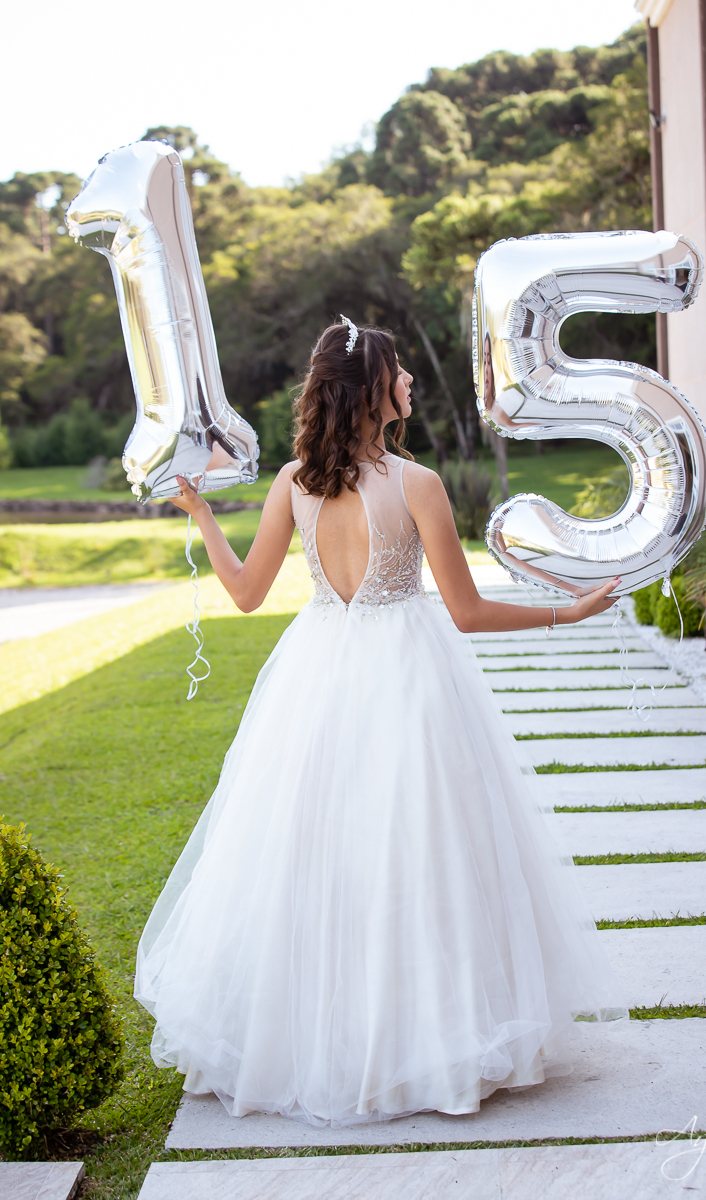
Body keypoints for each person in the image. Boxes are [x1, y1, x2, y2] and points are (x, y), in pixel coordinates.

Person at [134, 319, 627, 1130]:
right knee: (420, 848)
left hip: (317, 672)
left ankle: (313, 1039)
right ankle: (428, 1038)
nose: (411, 385)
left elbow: (248, 595)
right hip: (407, 674)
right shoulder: (419, 483)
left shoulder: (296, 483)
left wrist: (199, 513)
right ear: (373, 391)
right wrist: (563, 613)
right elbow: (464, 613)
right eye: (401, 374)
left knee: (315, 849)